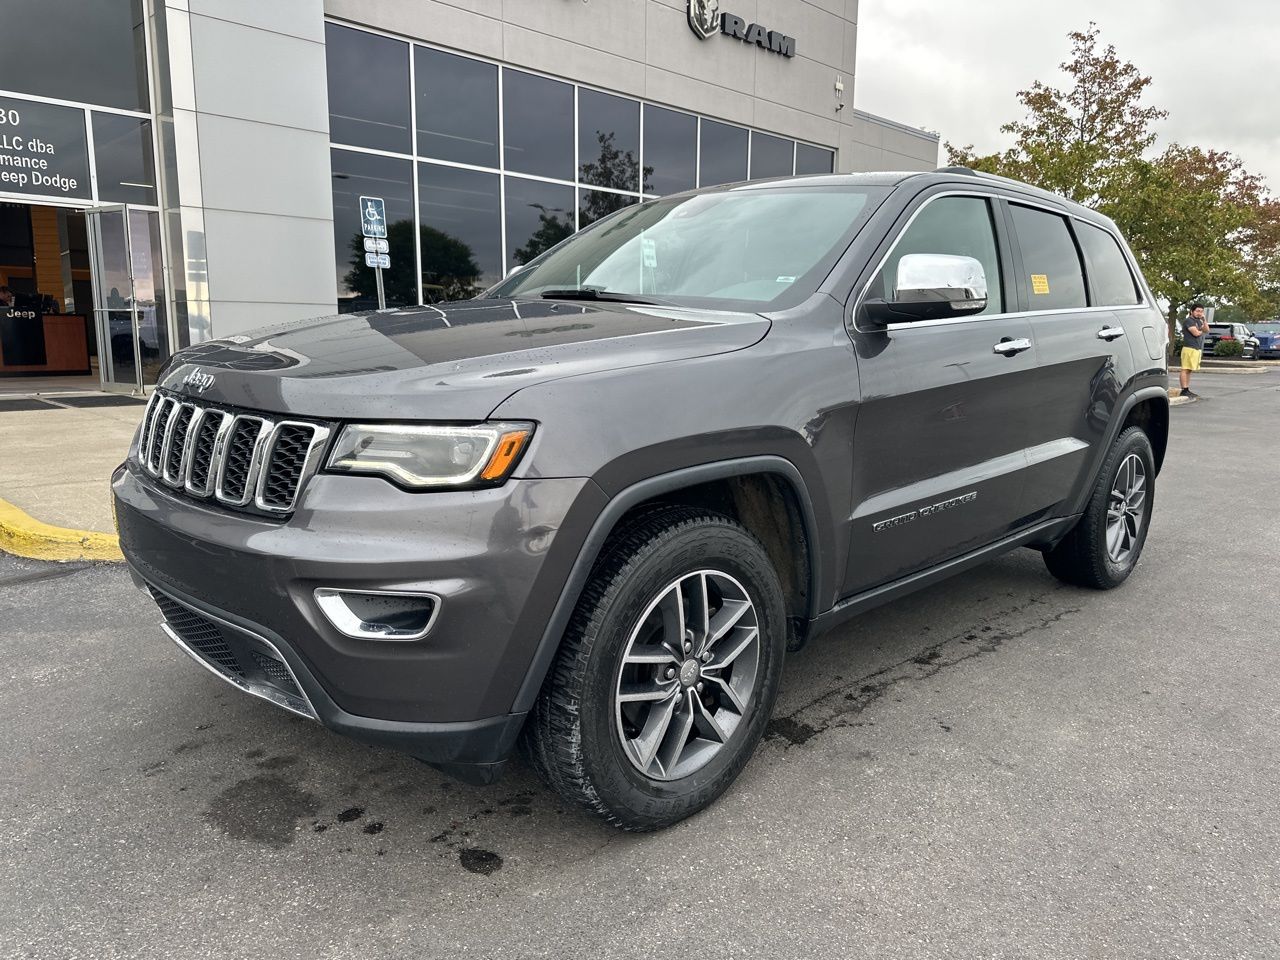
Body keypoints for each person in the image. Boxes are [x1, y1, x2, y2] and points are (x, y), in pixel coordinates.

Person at [1179, 304, 1209, 399]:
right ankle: (1184, 390)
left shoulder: (1199, 321)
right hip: (1189, 348)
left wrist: (1204, 320)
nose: (1199, 313)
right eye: (1197, 311)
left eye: (1201, 311)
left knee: (1189, 370)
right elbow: (1195, 333)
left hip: (1196, 349)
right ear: (1192, 311)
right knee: (1185, 369)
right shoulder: (1189, 321)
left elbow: (1207, 330)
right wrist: (1200, 331)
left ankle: (1187, 388)